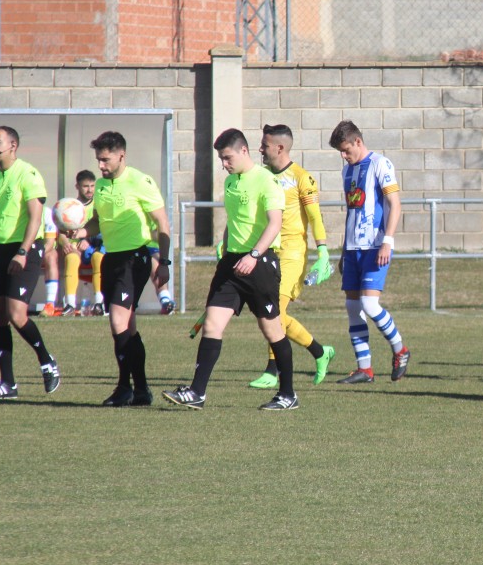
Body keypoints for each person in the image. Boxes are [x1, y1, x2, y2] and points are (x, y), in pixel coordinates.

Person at [162, 128, 297, 410]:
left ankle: (287, 395)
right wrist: (224, 246)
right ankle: (197, 392)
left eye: (227, 158)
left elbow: (275, 224)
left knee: (272, 331)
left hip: (259, 264)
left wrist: (254, 254)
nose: (224, 164)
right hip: (232, 265)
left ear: (243, 151)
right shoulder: (231, 182)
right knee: (212, 324)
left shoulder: (267, 181)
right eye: (221, 159)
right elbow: (234, 220)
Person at [70, 131, 171, 407]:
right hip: (111, 258)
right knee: (128, 327)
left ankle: (124, 387)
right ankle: (140, 390)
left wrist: (163, 262)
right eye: (98, 160)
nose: (101, 166)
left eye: (105, 160)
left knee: (117, 321)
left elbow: (162, 223)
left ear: (121, 156)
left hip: (134, 259)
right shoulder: (102, 186)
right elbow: (98, 222)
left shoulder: (141, 182)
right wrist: (79, 232)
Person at [0, 126, 61, 400]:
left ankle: (47, 361)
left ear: (13, 145)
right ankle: (7, 384)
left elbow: (36, 217)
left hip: (24, 249)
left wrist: (23, 251)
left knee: (17, 314)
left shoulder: (28, 174)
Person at [248, 123, 336, 389]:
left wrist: (322, 251)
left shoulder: (302, 177)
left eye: (264, 144)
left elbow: (314, 216)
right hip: (267, 251)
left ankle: (272, 370)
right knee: (270, 311)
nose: (260, 149)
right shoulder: (261, 175)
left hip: (293, 254)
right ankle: (321, 352)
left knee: (276, 311)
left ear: (280, 147)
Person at [329, 120, 410, 384]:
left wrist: (387, 240)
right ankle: (365, 369)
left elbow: (395, 205)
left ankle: (400, 349)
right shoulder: (347, 172)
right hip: (353, 249)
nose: (343, 156)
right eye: (340, 152)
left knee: (369, 304)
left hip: (376, 246)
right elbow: (351, 214)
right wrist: (343, 251)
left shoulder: (380, 164)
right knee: (353, 306)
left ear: (358, 142)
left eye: (345, 150)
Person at [55, 170, 105, 316]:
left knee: (98, 258)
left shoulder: (99, 205)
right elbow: (62, 232)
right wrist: (65, 243)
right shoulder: (69, 206)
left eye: (92, 186)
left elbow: (101, 229)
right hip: (75, 248)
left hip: (95, 248)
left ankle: (98, 303)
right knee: (71, 258)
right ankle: (70, 304)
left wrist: (88, 243)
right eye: (85, 186)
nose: (89, 190)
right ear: (77, 186)